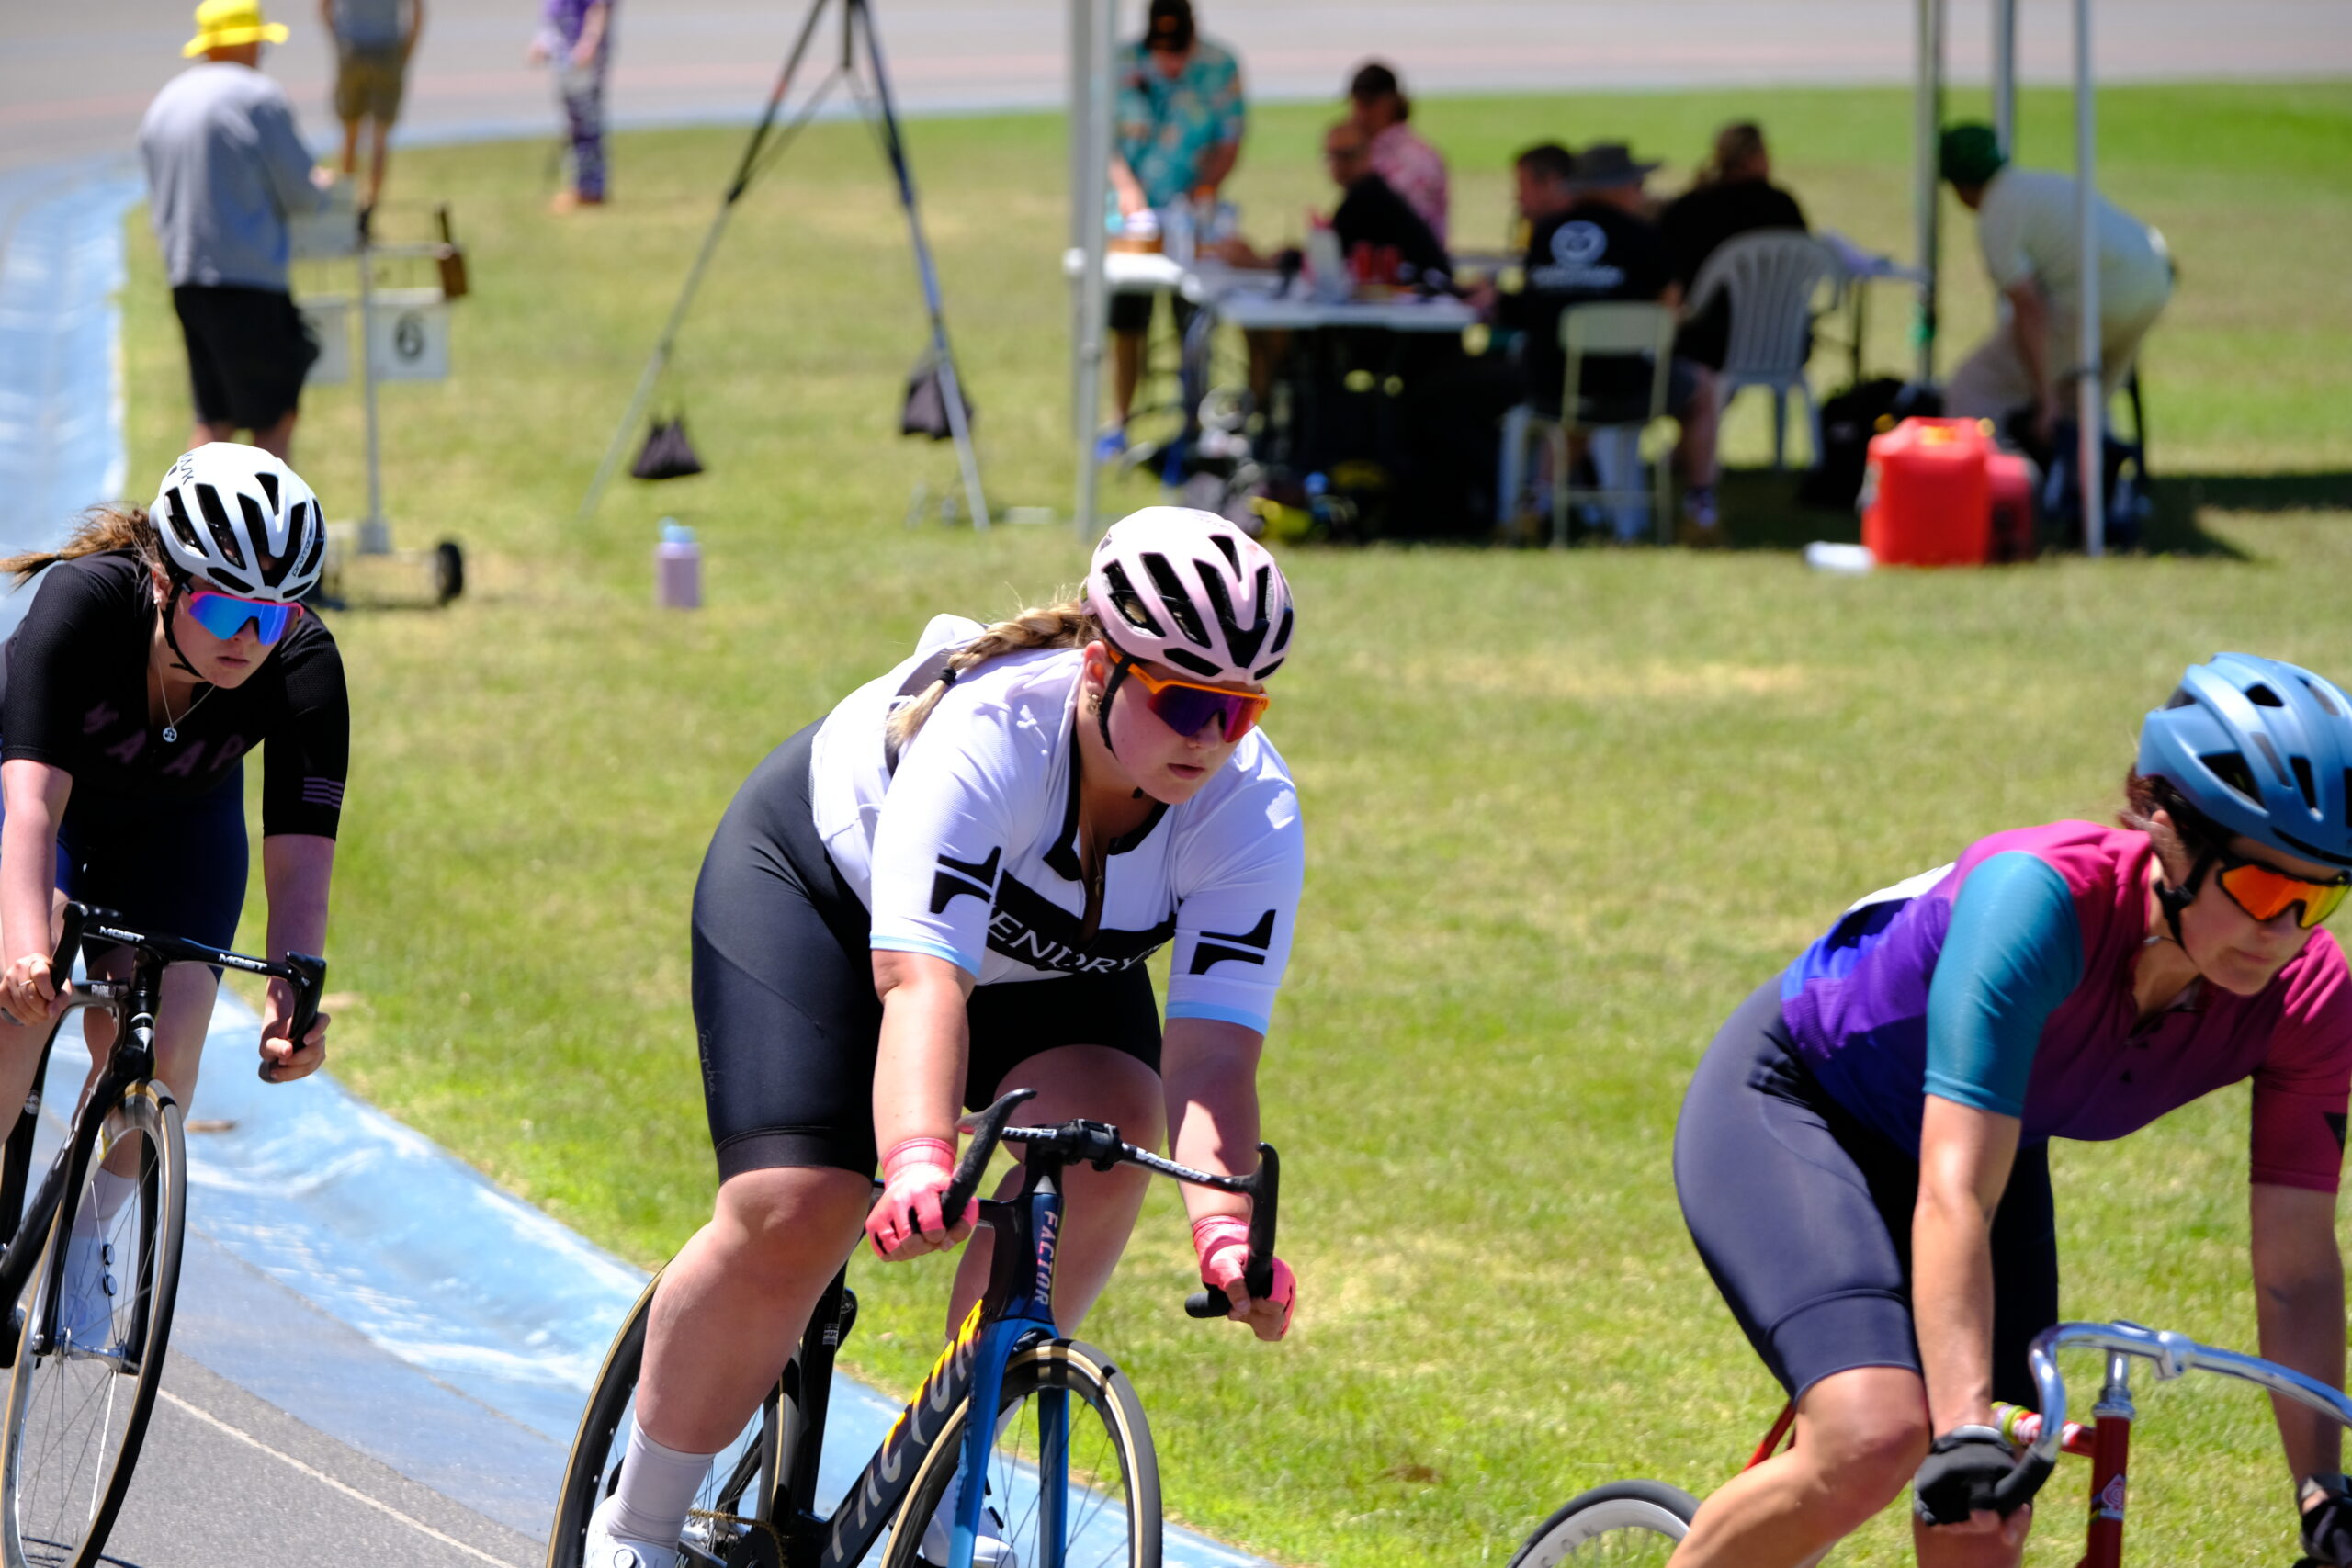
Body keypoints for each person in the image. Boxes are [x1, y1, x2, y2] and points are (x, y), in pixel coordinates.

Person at [584, 508, 1303, 1568]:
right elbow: (921, 984)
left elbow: (1211, 1058)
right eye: (1184, 702)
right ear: (1099, 666)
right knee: (799, 1205)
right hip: (831, 902)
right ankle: (636, 1526)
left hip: (1047, 967)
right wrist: (918, 1158)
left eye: (1239, 710)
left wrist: (1227, 1236)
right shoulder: (993, 734)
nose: (1210, 737)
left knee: (1110, 1140)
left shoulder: (1250, 809)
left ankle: (953, 1468)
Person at [1667, 652, 2352, 1568]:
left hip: (1990, 1146)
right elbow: (1954, 1195)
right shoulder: (2038, 901)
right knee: (1877, 1437)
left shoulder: (2309, 997)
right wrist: (1959, 1428)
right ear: (2171, 836)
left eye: (2318, 895)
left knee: (1987, 1516)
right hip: (1804, 1101)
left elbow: (2297, 1267)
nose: (2283, 933)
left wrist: (2322, 1491)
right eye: (2261, 889)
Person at [0, 444, 343, 1334]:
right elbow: (31, 807)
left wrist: (293, 1003)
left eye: (272, 616)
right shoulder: (82, 604)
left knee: (171, 1040)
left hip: (178, 828)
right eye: (225, 608)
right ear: (163, 581)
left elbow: (302, 861)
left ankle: (89, 1243)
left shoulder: (305, 666)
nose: (247, 639)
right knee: (23, 999)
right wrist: (25, 950)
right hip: (49, 805)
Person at [138, 0, 336, 464]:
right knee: (273, 420)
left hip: (187, 277)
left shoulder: (166, 100)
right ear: (246, 43)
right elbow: (301, 192)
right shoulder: (257, 96)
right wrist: (322, 188)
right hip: (249, 280)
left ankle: (185, 509)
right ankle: (268, 511)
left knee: (214, 418)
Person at [1489, 142, 1720, 536]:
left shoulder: (1545, 233)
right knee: (1704, 389)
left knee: (1578, 401)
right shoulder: (1642, 236)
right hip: (1623, 386)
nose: (1641, 192)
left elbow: (1530, 303)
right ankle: (1700, 508)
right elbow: (1669, 311)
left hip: (1547, 384)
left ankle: (1535, 503)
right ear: (1618, 187)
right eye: (1637, 184)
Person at [1939, 123, 2174, 445]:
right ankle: (2093, 470)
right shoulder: (2038, 183)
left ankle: (1996, 473)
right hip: (2153, 285)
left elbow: (2029, 309)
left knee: (1974, 387)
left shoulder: (1997, 215)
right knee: (2083, 399)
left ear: (1959, 185)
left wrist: (2044, 397)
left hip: (2101, 296)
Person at [1101, 0, 1246, 455]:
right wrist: (1127, 188)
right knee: (1127, 323)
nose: (1170, 59)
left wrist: (1205, 187)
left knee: (1193, 323)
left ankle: (1194, 420)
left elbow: (1230, 139)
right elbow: (1102, 138)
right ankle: (1119, 420)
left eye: (1177, 47)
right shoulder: (1123, 64)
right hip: (1133, 224)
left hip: (1193, 218)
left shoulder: (1219, 67)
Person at [1659, 122, 1808, 374]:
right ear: (1756, 157)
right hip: (1780, 339)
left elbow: (1666, 273)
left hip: (1704, 338)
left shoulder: (1687, 208)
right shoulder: (1782, 206)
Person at [322, 0, 423, 214]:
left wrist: (341, 43)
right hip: (388, 50)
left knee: (350, 135)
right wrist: (405, 53)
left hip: (352, 47)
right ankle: (369, 211)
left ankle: (348, 209)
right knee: (379, 138)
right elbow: (417, 14)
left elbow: (324, 9)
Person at [1345, 60, 1447, 246]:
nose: (1357, 115)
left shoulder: (1415, 158)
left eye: (1366, 104)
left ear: (1389, 104)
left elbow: (1401, 230)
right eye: (1355, 104)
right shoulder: (1370, 153)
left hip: (1413, 263)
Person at [528, 0, 613, 211]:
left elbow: (599, 7)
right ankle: (580, 185)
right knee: (574, 123)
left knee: (586, 123)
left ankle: (590, 188)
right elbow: (552, 12)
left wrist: (590, 42)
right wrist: (542, 41)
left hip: (581, 55)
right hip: (564, 52)